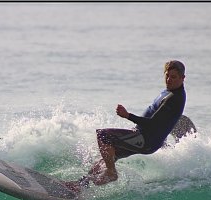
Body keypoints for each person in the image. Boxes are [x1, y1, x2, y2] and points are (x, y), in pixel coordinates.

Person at [65, 60, 187, 192]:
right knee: (107, 156)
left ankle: (111, 173)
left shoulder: (175, 97)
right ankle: (81, 185)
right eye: (167, 76)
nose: (169, 80)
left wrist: (128, 115)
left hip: (145, 140)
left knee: (103, 135)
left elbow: (153, 123)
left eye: (173, 77)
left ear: (182, 78)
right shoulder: (169, 91)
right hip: (143, 137)